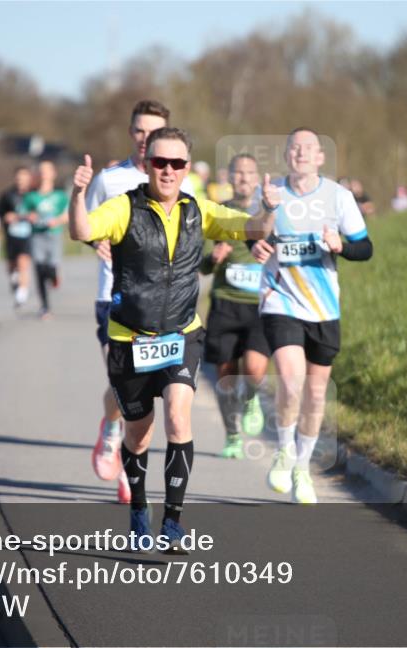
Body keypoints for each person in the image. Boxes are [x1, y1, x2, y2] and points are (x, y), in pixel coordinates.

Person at [70, 127, 278, 552]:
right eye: (160, 162)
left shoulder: (199, 210)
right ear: (147, 165)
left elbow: (253, 227)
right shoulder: (124, 208)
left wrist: (269, 210)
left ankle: (173, 523)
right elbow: (82, 230)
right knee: (139, 435)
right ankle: (138, 510)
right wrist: (77, 195)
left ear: (186, 169)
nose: (168, 170)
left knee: (179, 419)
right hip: (129, 338)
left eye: (177, 163)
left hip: (181, 334)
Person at [250, 128, 373, 504]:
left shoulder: (338, 197)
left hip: (323, 307)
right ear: (286, 155)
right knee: (291, 381)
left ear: (320, 157)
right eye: (294, 147)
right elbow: (253, 235)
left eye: (308, 148)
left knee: (316, 394)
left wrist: (341, 246)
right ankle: (284, 450)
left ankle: (302, 467)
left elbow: (365, 247)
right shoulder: (270, 192)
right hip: (280, 299)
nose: (301, 153)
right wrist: (260, 233)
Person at [83, 100, 194, 505]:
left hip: (166, 310)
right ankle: (114, 433)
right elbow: (83, 225)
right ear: (131, 133)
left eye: (154, 131)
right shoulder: (109, 180)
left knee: (165, 401)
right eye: (139, 131)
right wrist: (96, 240)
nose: (146, 139)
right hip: (114, 300)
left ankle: (131, 464)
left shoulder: (180, 179)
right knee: (124, 387)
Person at [199, 153, 270, 459]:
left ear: (257, 178)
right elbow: (201, 267)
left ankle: (251, 398)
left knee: (254, 368)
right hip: (225, 303)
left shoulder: (268, 214)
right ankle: (232, 436)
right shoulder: (218, 213)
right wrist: (213, 258)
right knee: (226, 376)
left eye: (249, 172)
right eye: (238, 172)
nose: (243, 178)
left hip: (259, 305)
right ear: (229, 177)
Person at [23, 161, 69, 319]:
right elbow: (24, 213)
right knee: (39, 269)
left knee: (50, 268)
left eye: (47, 170)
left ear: (53, 173)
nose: (44, 174)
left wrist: (57, 221)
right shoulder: (31, 196)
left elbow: (67, 215)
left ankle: (55, 276)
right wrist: (29, 217)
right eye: (41, 171)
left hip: (54, 234)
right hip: (37, 235)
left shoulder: (60, 196)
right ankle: (45, 306)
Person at [0, 166, 34, 307]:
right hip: (11, 235)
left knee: (23, 263)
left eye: (24, 178)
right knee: (11, 266)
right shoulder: (8, 195)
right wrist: (5, 217)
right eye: (19, 178)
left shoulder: (33, 194)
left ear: (29, 179)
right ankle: (14, 280)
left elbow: (39, 212)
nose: (21, 181)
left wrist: (30, 216)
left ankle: (22, 294)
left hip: (28, 235)